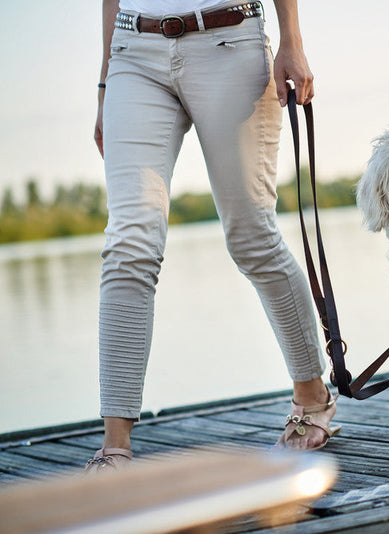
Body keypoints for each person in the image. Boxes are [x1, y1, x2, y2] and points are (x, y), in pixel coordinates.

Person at [87, 0, 339, 472]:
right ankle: (114, 446)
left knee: (251, 235)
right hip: (132, 53)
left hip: (229, 38)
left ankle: (312, 394)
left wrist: (293, 40)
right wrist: (105, 85)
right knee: (129, 244)